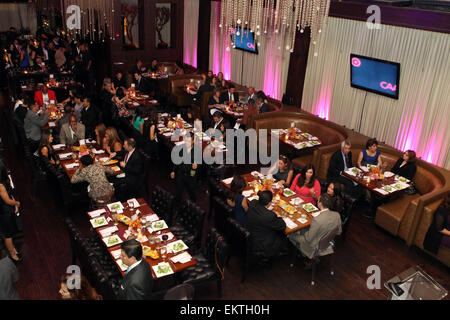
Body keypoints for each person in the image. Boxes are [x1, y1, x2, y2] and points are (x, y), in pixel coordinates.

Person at [287, 196, 342, 266]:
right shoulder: (337, 215)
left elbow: (308, 238)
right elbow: (339, 232)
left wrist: (303, 230)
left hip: (315, 246)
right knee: (304, 230)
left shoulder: (317, 220)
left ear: (320, 204)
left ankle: (304, 254)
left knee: (291, 234)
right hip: (328, 242)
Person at [246, 190, 288, 259]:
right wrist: (278, 216)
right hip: (261, 244)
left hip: (251, 232)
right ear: (269, 203)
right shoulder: (269, 216)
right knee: (283, 236)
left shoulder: (253, 202)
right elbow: (283, 226)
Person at [0, 162, 21, 263]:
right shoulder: (0, 185)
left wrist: (14, 203)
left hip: (6, 209)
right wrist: (16, 203)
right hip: (4, 211)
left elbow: (9, 194)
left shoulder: (3, 182)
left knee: (9, 232)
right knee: (7, 234)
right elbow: (7, 200)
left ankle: (13, 249)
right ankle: (12, 254)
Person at [170, 132, 199, 203]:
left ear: (193, 141)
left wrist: (197, 166)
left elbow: (201, 165)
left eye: (189, 141)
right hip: (181, 173)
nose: (187, 143)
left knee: (192, 193)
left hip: (191, 175)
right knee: (178, 193)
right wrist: (173, 171)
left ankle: (193, 208)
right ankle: (177, 208)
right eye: (185, 140)